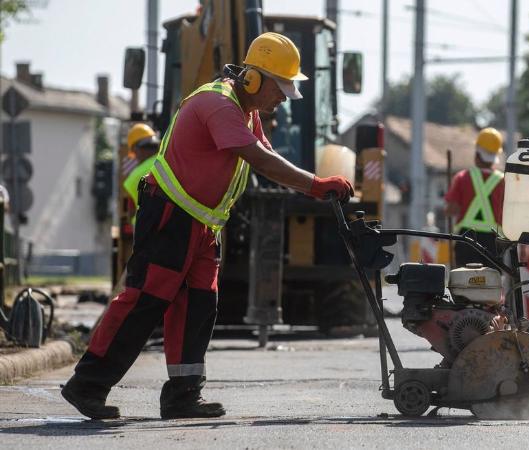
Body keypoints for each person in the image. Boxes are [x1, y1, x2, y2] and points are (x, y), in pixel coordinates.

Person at [61, 32, 353, 420]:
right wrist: (316, 185)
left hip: (201, 225)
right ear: (253, 78)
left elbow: (265, 153)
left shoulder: (246, 112)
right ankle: (87, 385)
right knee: (145, 301)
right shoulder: (217, 103)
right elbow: (259, 160)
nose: (283, 98)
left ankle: (183, 395)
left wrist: (311, 184)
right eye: (280, 88)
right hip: (171, 217)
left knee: (198, 306)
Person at [444, 127, 505, 267]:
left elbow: (452, 209)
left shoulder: (462, 177)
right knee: (491, 283)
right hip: (494, 242)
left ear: (477, 154)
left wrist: (447, 209)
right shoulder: (504, 181)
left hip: (466, 239)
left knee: (465, 283)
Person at [122, 123, 160, 225]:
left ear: (135, 149)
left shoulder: (133, 178)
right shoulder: (170, 161)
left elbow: (130, 213)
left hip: (147, 232)